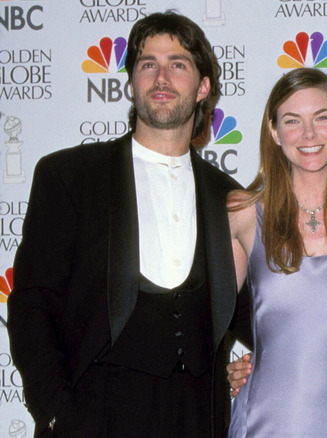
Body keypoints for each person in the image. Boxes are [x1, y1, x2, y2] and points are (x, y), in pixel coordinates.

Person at [7, 11, 244, 437]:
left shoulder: (230, 197)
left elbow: (262, 311)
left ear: (204, 86)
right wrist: (57, 412)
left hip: (199, 418)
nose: (161, 77)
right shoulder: (70, 176)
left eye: (178, 63)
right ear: (132, 83)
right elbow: (31, 305)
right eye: (147, 64)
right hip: (96, 415)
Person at [226, 67, 327, 437]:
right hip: (268, 417)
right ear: (274, 131)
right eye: (292, 121)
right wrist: (227, 367)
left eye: (322, 117)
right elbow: (206, 318)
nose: (309, 134)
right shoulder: (242, 213)